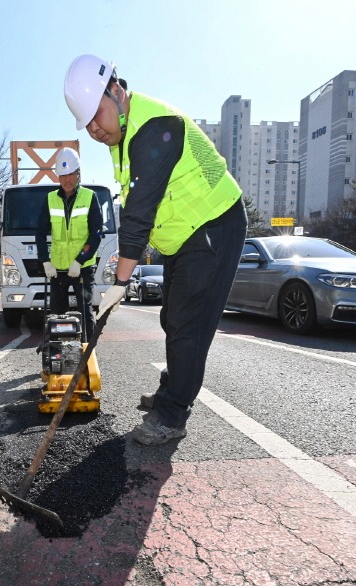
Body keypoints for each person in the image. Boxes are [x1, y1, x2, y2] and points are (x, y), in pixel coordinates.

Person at [64, 54, 247, 445]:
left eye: (96, 115)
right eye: (87, 124)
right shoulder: (123, 135)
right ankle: (171, 392)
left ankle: (172, 415)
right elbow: (135, 205)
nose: (94, 129)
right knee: (172, 318)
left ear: (116, 91)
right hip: (185, 235)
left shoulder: (155, 128)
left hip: (214, 224)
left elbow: (139, 213)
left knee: (187, 324)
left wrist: (119, 283)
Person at [36, 147, 103, 343]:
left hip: (82, 267)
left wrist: (80, 260)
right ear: (58, 176)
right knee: (57, 313)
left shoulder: (90, 197)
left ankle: (88, 352)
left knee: (85, 310)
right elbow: (40, 233)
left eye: (71, 174)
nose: (67, 180)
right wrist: (45, 261)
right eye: (63, 175)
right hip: (58, 268)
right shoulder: (50, 199)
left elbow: (96, 233)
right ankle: (59, 350)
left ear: (78, 174)